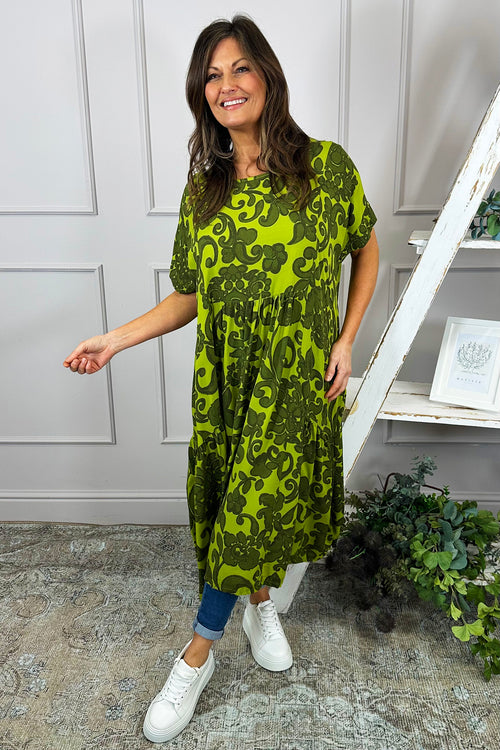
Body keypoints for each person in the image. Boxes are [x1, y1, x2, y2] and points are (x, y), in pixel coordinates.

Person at [63, 14, 379, 745]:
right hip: (225, 384)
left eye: (239, 68)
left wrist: (346, 338)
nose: (226, 85)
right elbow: (189, 296)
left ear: (267, 76)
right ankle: (259, 602)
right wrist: (115, 340)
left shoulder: (326, 168)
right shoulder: (204, 190)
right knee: (235, 507)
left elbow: (365, 247)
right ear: (200, 93)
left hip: (294, 383)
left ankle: (195, 657)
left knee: (247, 510)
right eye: (212, 75)